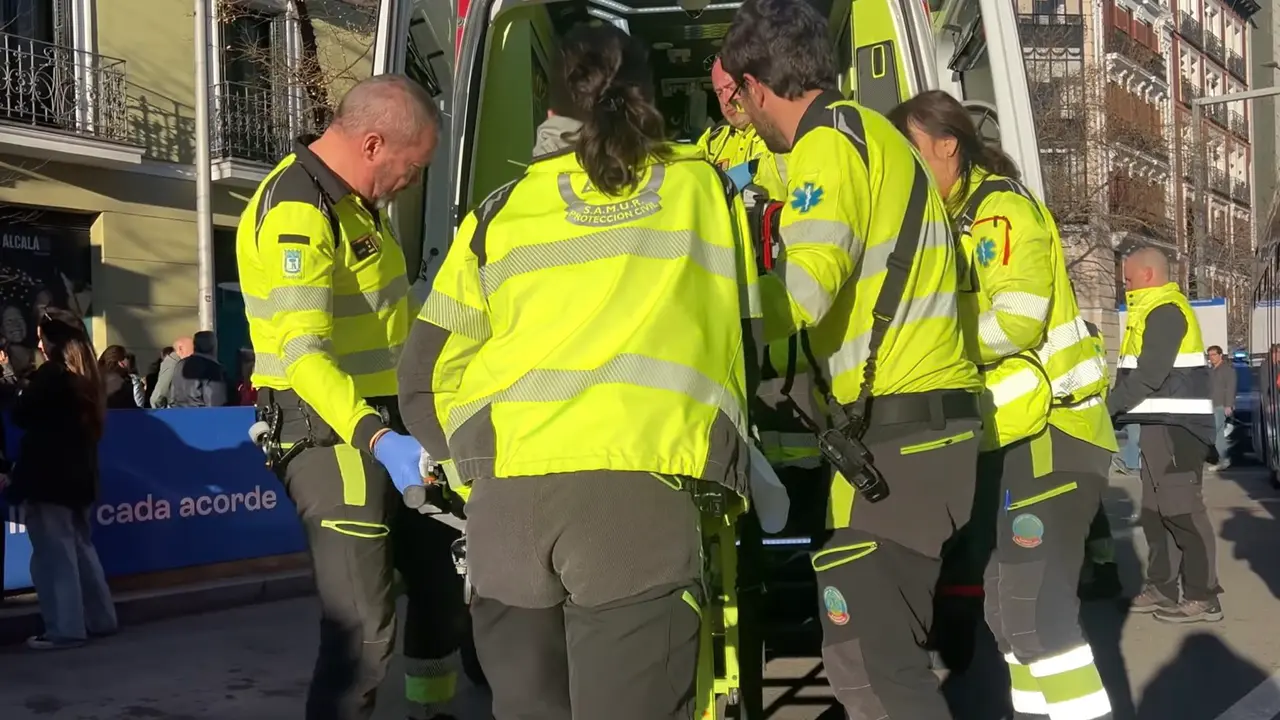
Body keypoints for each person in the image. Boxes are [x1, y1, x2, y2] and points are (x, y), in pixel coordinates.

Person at [398, 22, 760, 720]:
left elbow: (424, 372)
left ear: (548, 107)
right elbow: (749, 338)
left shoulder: (498, 212)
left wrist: (468, 465)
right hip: (635, 502)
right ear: (654, 97)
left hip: (507, 512)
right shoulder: (702, 191)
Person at [719, 4, 983, 717]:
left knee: (877, 668)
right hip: (904, 439)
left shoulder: (827, 145)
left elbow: (804, 289)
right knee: (859, 662)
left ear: (755, 85)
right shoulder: (870, 134)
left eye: (740, 102)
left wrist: (706, 316)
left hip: (902, 441)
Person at [235, 75, 465, 720]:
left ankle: (434, 712)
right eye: (411, 168)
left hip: (390, 423)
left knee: (441, 586)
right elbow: (305, 354)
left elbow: (391, 323)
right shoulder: (298, 211)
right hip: (330, 436)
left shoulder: (355, 205)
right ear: (372, 144)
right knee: (361, 631)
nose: (412, 182)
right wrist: (379, 439)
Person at [889, 90, 1115, 719]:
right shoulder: (957, 220)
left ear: (947, 144)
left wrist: (933, 348)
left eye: (910, 152)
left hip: (1054, 433)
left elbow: (1017, 320)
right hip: (1018, 438)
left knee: (1037, 617)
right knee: (1009, 618)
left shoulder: (998, 214)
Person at [1110, 246, 1220, 623]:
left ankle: (1203, 596)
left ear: (1146, 275)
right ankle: (1162, 587)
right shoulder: (1148, 312)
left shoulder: (1165, 312)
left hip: (1179, 430)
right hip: (1159, 426)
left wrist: (1107, 408)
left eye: (1127, 278)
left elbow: (1149, 376)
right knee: (1156, 514)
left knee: (1183, 512)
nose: (1123, 284)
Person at [2, 308, 117, 649]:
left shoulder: (52, 375)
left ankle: (64, 629)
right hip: (80, 478)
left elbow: (22, 414)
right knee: (81, 550)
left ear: (51, 341)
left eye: (41, 336)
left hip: (47, 477)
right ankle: (101, 619)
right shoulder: (87, 376)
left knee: (54, 557)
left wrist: (15, 380)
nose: (37, 341)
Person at [697, 57, 786, 197]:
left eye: (731, 88)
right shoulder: (711, 141)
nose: (726, 101)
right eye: (719, 93)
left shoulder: (781, 131)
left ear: (753, 86)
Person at [168, 331, 228, 408]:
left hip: (179, 415)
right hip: (203, 417)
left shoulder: (180, 364)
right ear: (213, 346)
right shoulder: (213, 368)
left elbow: (172, 396)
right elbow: (215, 403)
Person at [1206, 344, 1236, 470]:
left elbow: (1231, 387)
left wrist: (1228, 405)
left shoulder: (1227, 370)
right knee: (1218, 434)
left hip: (1221, 406)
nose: (1211, 357)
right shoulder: (1211, 370)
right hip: (1211, 406)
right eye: (1209, 355)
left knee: (1214, 432)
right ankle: (1223, 460)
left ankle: (1224, 459)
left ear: (1220, 355)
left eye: (1214, 355)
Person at [149, 336, 192, 408]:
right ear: (180, 348)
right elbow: (158, 396)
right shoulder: (173, 364)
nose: (194, 353)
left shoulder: (178, 364)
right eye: (192, 349)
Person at [98, 345, 142, 409]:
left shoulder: (95, 378)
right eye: (125, 357)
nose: (127, 360)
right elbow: (130, 407)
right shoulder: (124, 382)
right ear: (119, 362)